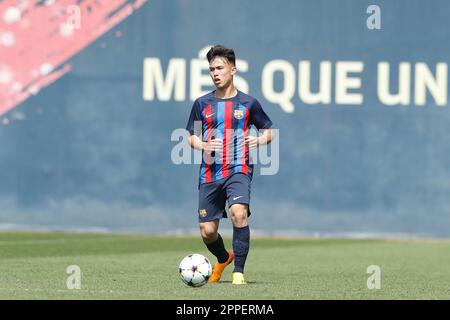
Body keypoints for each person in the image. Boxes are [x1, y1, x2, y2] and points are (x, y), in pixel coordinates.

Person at [186, 45, 273, 285]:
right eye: (211, 69)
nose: (215, 73)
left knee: (238, 213)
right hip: (210, 172)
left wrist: (259, 139)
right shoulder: (201, 103)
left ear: (232, 69)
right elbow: (191, 137)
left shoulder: (248, 103)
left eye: (220, 68)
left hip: (239, 168)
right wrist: (202, 145)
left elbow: (269, 132)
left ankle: (239, 273)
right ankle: (223, 258)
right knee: (207, 231)